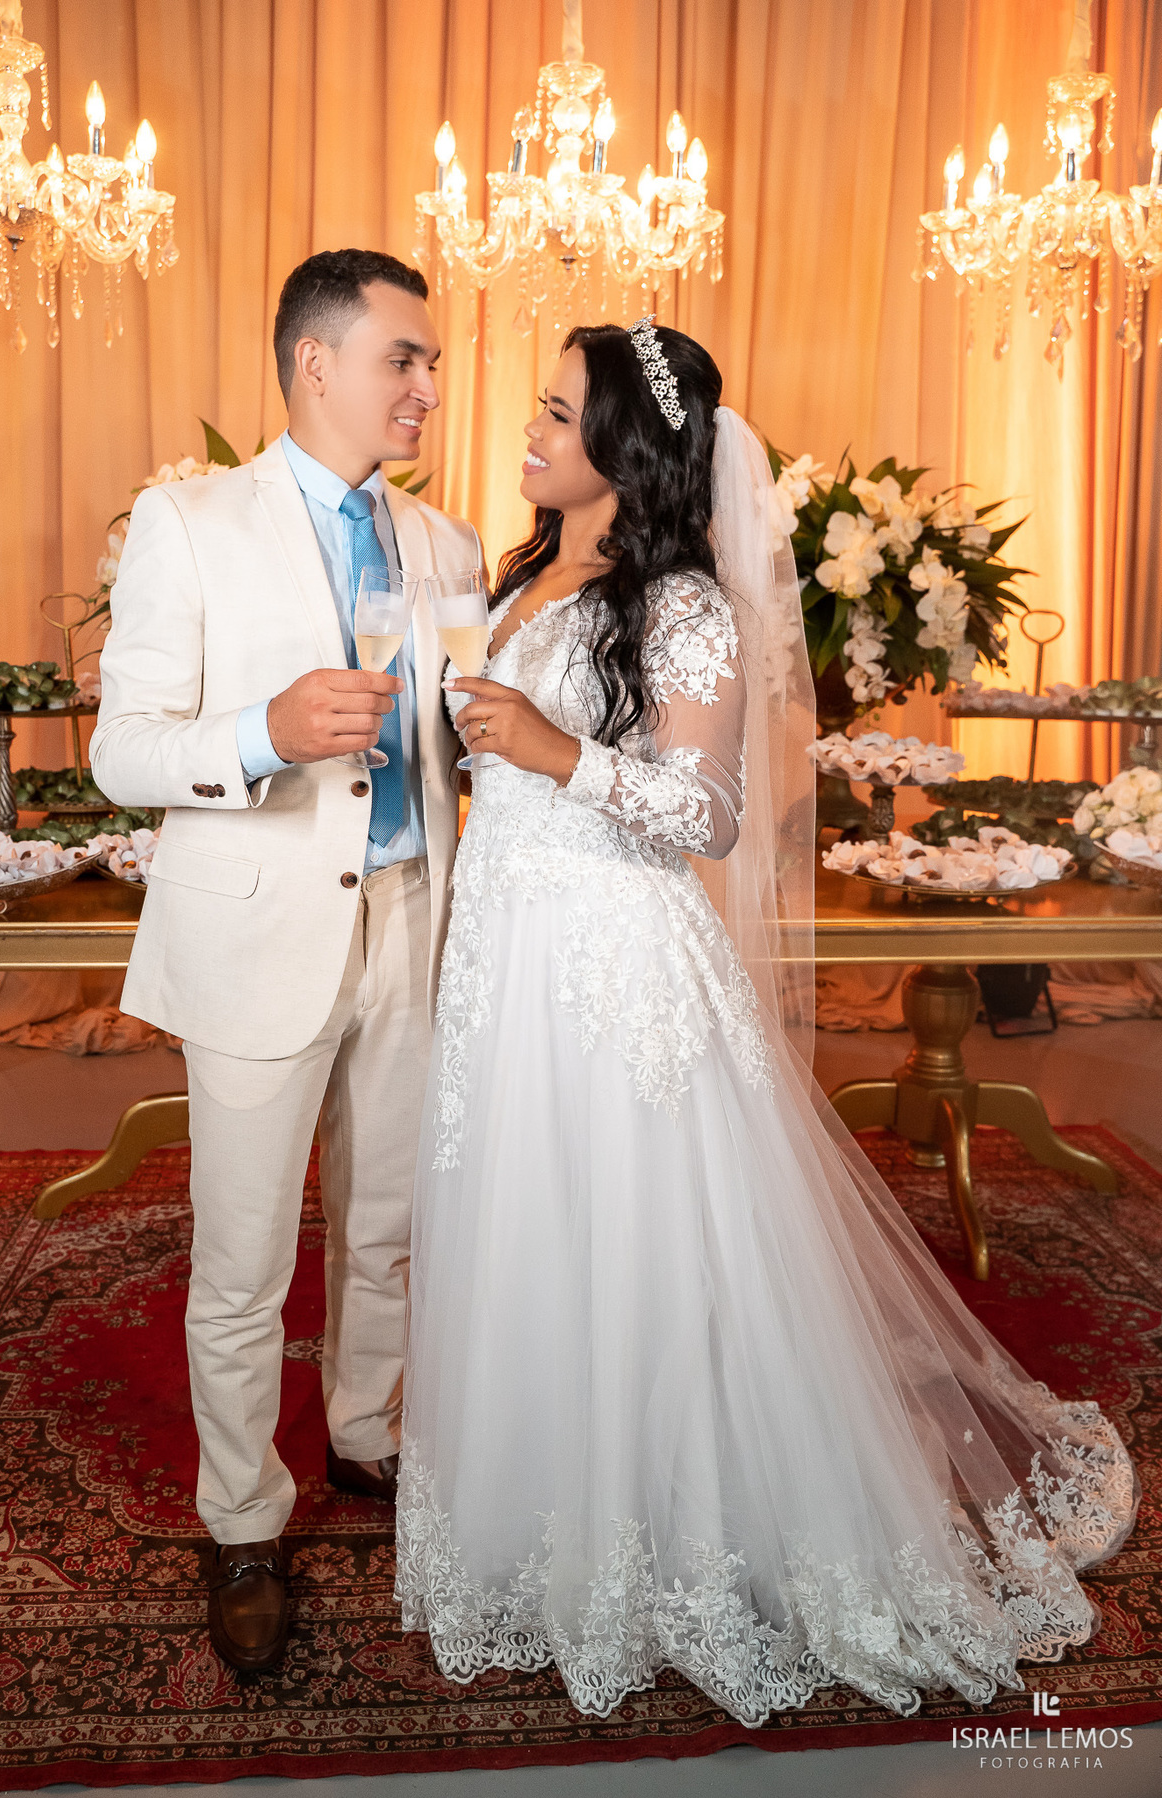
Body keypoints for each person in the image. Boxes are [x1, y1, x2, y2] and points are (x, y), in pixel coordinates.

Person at [393, 319, 1138, 1726]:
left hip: (616, 964)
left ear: (624, 446)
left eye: (555, 410)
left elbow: (709, 813)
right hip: (508, 952)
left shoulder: (684, 606)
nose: (529, 429)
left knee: (642, 1243)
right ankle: (537, 1521)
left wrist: (555, 752)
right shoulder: (520, 570)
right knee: (525, 1224)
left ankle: (677, 1536)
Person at [91, 248, 483, 1674]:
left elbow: (452, 751)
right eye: (404, 359)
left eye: (431, 363)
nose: (429, 386)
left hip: (412, 921)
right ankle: (244, 1519)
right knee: (245, 1258)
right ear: (317, 364)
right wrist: (262, 731)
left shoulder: (447, 546)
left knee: (387, 1223)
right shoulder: (188, 521)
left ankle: (367, 1432)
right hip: (258, 929)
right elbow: (122, 751)